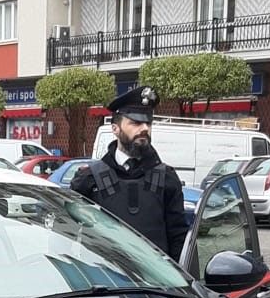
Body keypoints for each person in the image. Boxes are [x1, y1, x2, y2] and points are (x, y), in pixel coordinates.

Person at [71, 86, 189, 261]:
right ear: (115, 128)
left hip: (156, 284)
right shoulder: (89, 180)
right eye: (135, 123)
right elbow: (69, 235)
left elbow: (178, 238)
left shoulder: (166, 178)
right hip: (106, 281)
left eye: (148, 123)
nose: (144, 129)